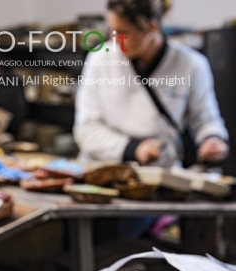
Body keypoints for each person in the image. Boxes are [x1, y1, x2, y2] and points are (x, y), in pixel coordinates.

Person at [74, 0, 229, 169]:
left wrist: (212, 140)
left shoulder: (191, 64)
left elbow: (206, 119)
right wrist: (133, 149)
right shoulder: (100, 58)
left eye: (123, 32)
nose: (116, 40)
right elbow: (85, 128)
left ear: (151, 28)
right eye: (112, 31)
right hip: (103, 167)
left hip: (160, 172)